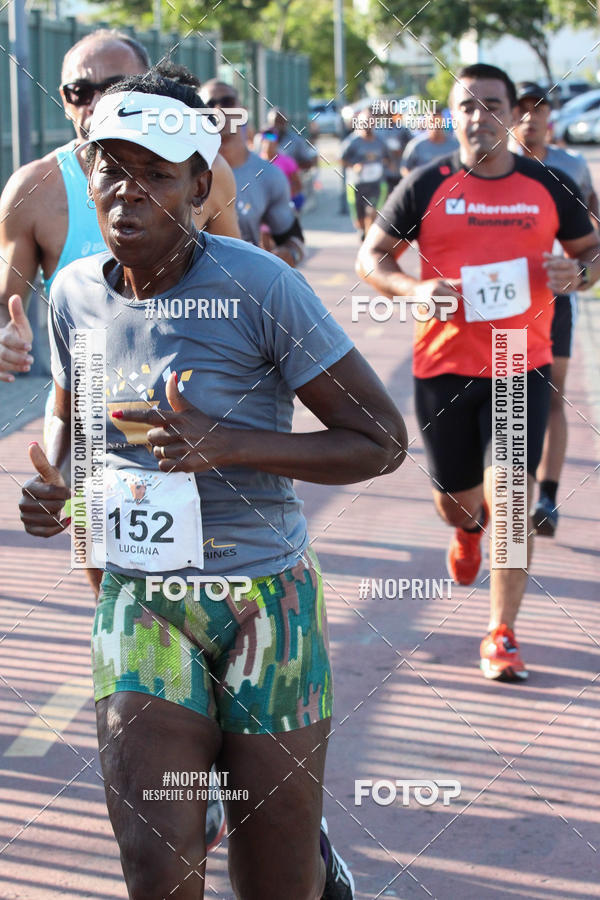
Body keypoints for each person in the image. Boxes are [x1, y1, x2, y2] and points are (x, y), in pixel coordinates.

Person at [19, 74, 407, 899]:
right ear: (87, 180)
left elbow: (381, 442)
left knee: (275, 876)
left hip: (267, 604)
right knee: (158, 865)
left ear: (199, 185)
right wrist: (56, 480)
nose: (128, 193)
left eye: (155, 174)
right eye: (110, 170)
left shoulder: (259, 286)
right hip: (141, 601)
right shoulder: (78, 293)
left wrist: (230, 445)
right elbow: (69, 414)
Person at [356, 63, 600, 681]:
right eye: (465, 105)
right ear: (451, 115)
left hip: (523, 361)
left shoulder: (548, 184)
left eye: (490, 104)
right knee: (459, 501)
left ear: (511, 114)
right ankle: (466, 533)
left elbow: (592, 249)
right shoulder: (424, 183)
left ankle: (501, 633)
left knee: (512, 500)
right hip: (444, 366)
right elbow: (372, 257)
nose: (477, 116)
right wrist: (411, 290)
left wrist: (585, 274)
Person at [0, 30, 240, 386]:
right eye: (78, 91)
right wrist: (5, 341)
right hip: (87, 405)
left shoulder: (205, 171)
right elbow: (6, 304)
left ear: (150, 87)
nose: (95, 103)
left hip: (190, 395)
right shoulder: (32, 189)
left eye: (115, 86)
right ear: (64, 101)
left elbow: (238, 283)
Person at [512, 81, 599, 536]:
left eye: (538, 109)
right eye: (522, 110)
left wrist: (582, 275)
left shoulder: (572, 168)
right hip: (500, 305)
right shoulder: (490, 167)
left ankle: (546, 495)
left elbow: (594, 244)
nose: (530, 118)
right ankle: (491, 495)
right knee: (501, 398)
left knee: (553, 394)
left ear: (552, 117)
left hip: (555, 303)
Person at [202, 80, 305, 267]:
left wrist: (288, 254)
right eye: (208, 104)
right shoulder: (180, 172)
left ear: (243, 110)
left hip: (242, 285)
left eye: (227, 102)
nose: (218, 109)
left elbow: (293, 240)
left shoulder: (268, 175)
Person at [340, 108, 390, 243]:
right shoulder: (352, 141)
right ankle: (363, 231)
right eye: (365, 122)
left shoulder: (380, 141)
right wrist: (354, 166)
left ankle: (369, 241)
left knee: (372, 213)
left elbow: (387, 158)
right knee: (360, 220)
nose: (368, 125)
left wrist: (383, 164)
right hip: (357, 184)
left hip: (376, 184)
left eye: (370, 122)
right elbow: (341, 159)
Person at [400, 110, 458, 175]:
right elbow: (404, 169)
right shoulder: (416, 145)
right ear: (426, 123)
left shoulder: (455, 143)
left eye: (438, 121)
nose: (436, 125)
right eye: (432, 122)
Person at [258, 130, 304, 211]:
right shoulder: (255, 162)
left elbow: (298, 185)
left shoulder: (287, 161)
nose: (267, 144)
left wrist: (285, 199)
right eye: (265, 141)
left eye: (271, 141)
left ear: (276, 143)